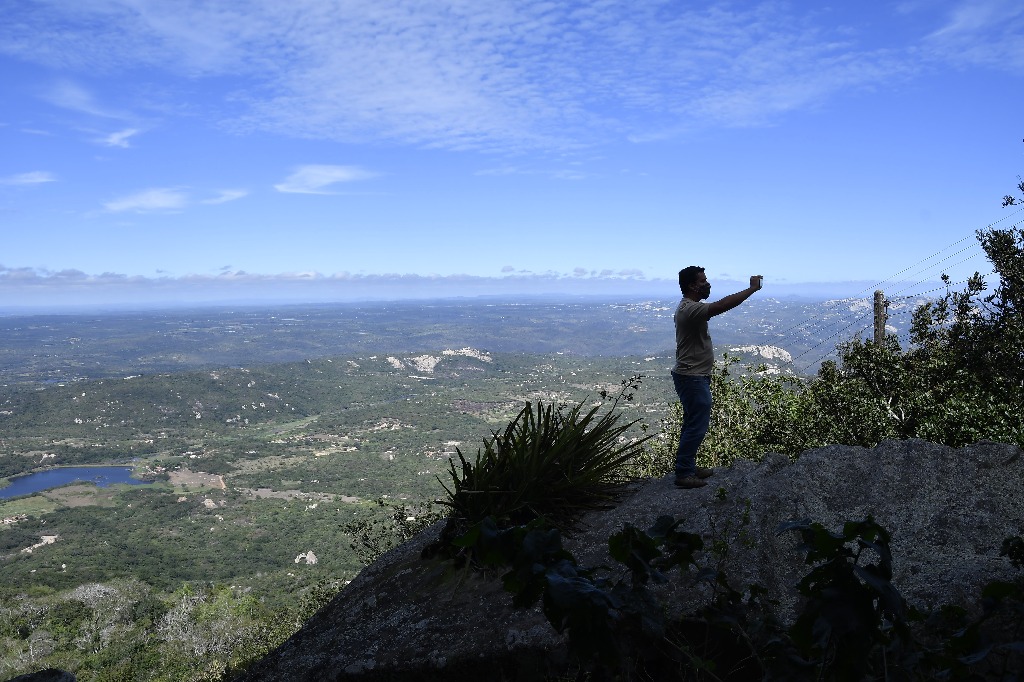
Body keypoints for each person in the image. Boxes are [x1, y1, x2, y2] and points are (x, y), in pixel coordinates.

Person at [672, 267, 763, 489]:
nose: (707, 284)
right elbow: (722, 306)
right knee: (696, 426)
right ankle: (684, 472)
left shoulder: (689, 308)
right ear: (693, 285)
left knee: (692, 423)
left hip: (694, 375)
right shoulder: (689, 309)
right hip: (691, 377)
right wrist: (752, 289)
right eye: (703, 281)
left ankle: (688, 467)